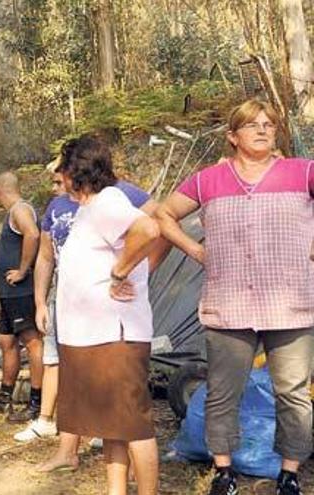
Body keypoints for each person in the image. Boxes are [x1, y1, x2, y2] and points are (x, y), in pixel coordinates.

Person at [156, 99, 314, 495]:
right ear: (232, 136)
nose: (262, 130)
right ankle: (223, 473)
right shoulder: (208, 179)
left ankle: (290, 475)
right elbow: (163, 214)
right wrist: (194, 250)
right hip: (229, 308)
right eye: (252, 125)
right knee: (223, 394)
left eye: (268, 124)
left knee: (292, 396)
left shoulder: (303, 172)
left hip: (290, 308)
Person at [14, 148, 160, 461]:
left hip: (111, 322)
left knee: (128, 418)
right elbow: (45, 256)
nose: (58, 183)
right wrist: (40, 302)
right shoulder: (63, 206)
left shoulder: (115, 196)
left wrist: (130, 270)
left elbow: (153, 228)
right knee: (68, 376)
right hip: (73, 313)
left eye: (61, 176)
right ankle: (68, 452)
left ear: (77, 172)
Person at [54, 135, 161, 495]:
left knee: (134, 426)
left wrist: (119, 272)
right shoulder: (91, 207)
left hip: (114, 335)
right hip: (90, 337)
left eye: (62, 167)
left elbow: (149, 229)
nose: (59, 175)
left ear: (75, 170)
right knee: (112, 428)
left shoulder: (107, 201)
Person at [0, 171, 43, 423]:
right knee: (6, 341)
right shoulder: (13, 212)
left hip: (21, 290)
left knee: (32, 342)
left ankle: (36, 403)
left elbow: (33, 234)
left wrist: (22, 270)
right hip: (8, 293)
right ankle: (4, 395)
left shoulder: (20, 209)